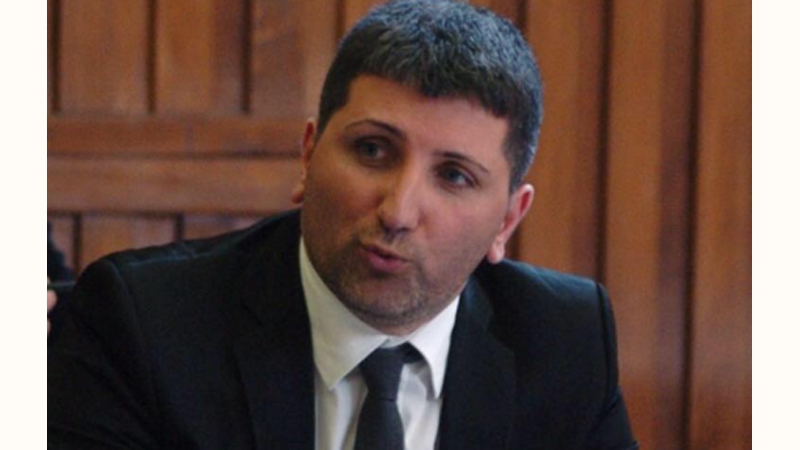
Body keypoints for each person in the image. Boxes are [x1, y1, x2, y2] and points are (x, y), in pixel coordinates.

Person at [48, 1, 639, 449]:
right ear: (308, 154)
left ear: (507, 219)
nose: (398, 212)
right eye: (373, 151)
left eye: (454, 176)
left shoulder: (564, 341)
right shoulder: (146, 325)